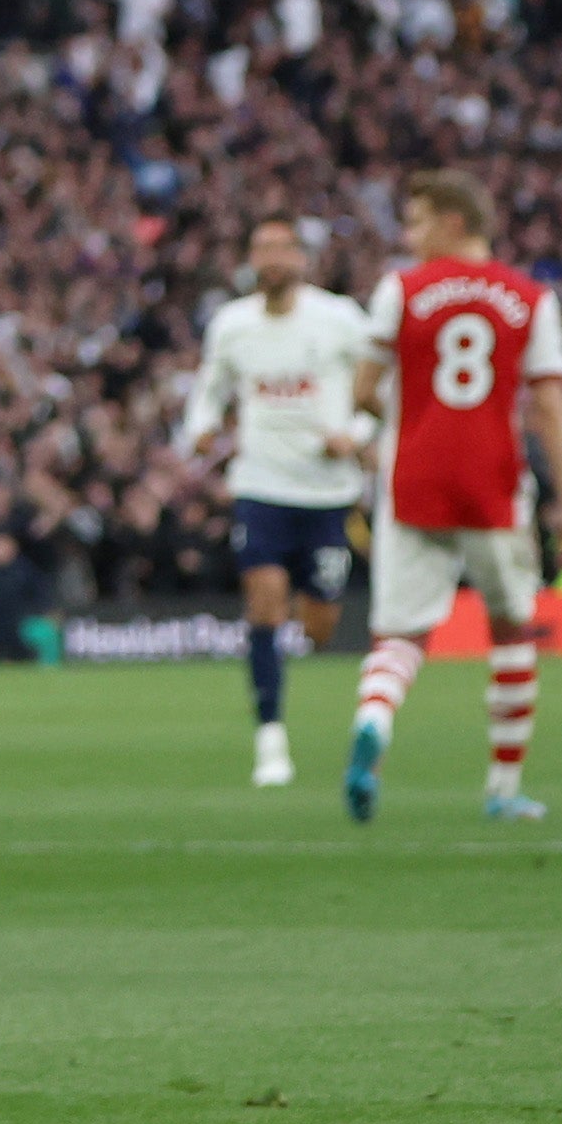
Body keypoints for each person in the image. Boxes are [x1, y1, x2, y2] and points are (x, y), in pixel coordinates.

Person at [344, 170, 562, 825]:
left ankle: (373, 719)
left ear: (454, 222)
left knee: (400, 633)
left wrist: (411, 420)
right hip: (491, 482)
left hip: (412, 479)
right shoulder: (529, 298)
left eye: (417, 221)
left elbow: (362, 388)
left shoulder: (401, 289)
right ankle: (502, 791)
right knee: (509, 628)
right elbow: (552, 406)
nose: (407, 235)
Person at [183, 210, 374, 787]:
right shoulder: (232, 324)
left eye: (279, 248)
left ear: (300, 259)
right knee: (263, 606)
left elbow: (379, 385)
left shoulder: (339, 319)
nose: (269, 258)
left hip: (327, 492)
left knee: (319, 625)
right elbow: (210, 385)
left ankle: (303, 630)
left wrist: (357, 437)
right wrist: (202, 425)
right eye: (259, 247)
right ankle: (270, 739)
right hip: (261, 485)